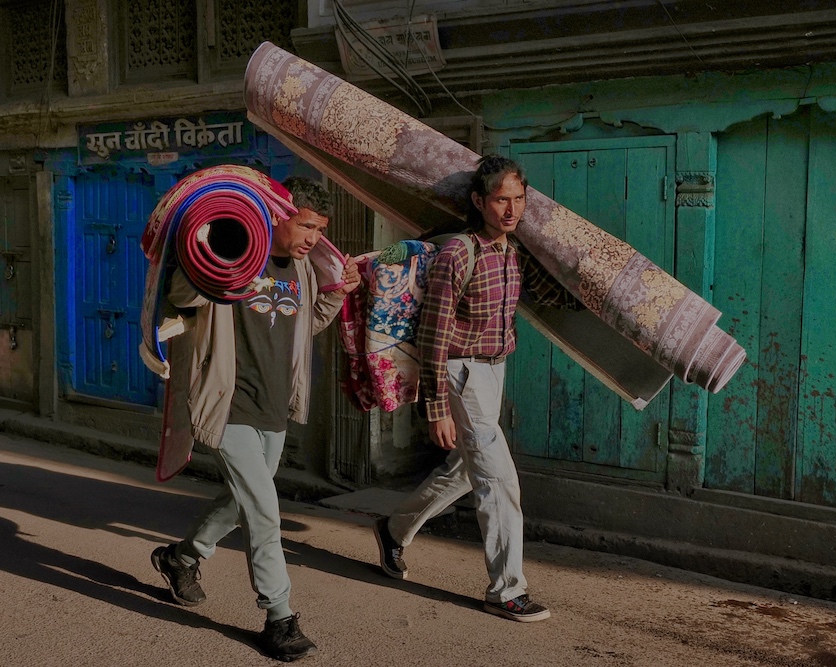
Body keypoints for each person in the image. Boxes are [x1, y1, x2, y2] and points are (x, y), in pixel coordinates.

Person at [150, 176, 360, 661]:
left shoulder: (301, 269)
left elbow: (305, 323)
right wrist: (215, 262)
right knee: (264, 510)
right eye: (306, 225)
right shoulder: (235, 250)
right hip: (227, 403)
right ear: (277, 215)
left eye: (319, 229)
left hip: (273, 406)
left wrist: (336, 292)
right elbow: (182, 296)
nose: (312, 238)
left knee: (243, 499)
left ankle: (179, 559)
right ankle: (280, 618)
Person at [373, 155, 578, 622]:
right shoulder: (459, 253)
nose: (511, 209)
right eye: (501, 199)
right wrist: (436, 406)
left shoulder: (513, 249)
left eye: (519, 199)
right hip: (459, 372)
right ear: (479, 201)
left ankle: (393, 529)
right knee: (499, 480)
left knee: (468, 470)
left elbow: (546, 294)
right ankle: (506, 590)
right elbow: (433, 333)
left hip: (494, 369)